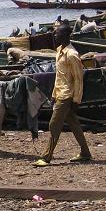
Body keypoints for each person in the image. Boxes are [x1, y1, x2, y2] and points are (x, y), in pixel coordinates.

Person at [33, 22, 91, 167]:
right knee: (74, 123)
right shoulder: (59, 50)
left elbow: (78, 79)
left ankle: (46, 157)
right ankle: (85, 152)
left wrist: (76, 100)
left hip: (67, 96)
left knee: (54, 124)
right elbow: (60, 77)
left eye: (57, 33)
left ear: (65, 35)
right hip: (60, 93)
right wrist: (53, 93)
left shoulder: (72, 55)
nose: (54, 34)